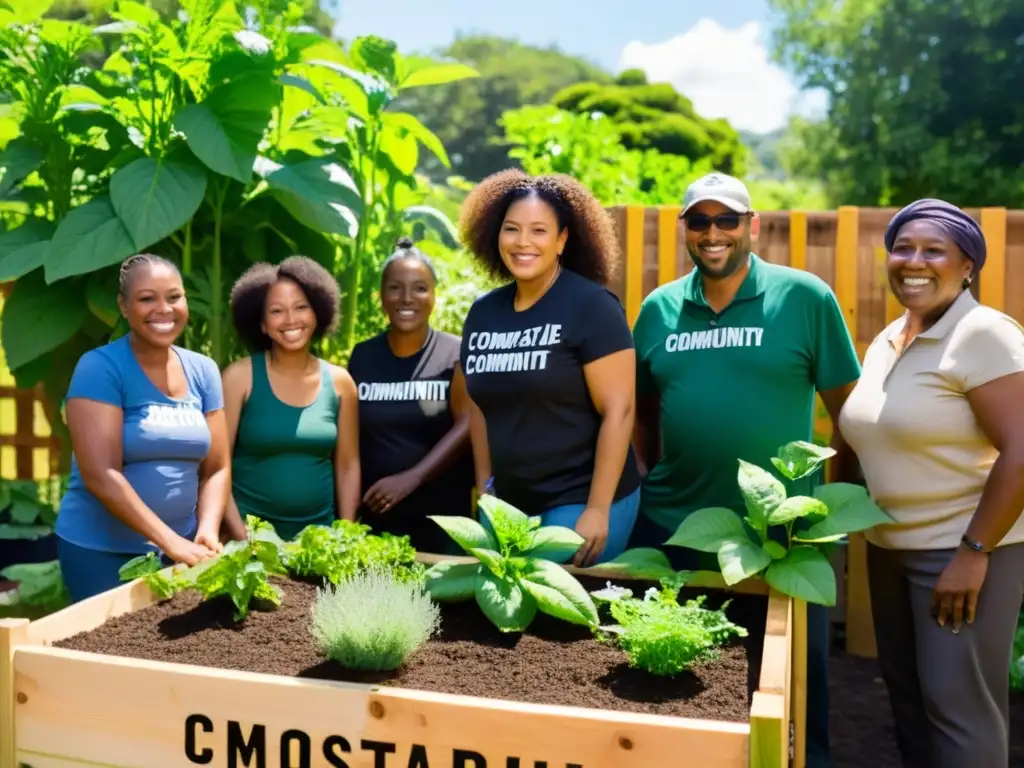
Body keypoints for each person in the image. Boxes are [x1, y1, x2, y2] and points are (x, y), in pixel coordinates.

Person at [629, 173, 862, 768]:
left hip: (779, 540)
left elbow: (850, 417)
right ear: (685, 229)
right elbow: (643, 413)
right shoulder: (658, 311)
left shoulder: (805, 298)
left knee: (793, 701)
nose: (713, 233)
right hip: (676, 530)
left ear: (752, 226)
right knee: (679, 690)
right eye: (699, 221)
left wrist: (831, 513)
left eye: (727, 220)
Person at [838, 199, 1024, 768]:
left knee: (958, 713)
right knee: (910, 706)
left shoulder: (982, 334)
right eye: (903, 247)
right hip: (893, 552)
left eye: (933, 250)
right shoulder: (891, 338)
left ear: (967, 264)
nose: (913, 260)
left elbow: (1022, 446)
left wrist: (973, 552)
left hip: (962, 554)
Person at [457, 169, 640, 567]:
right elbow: (480, 405)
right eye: (512, 229)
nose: (523, 242)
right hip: (511, 504)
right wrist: (485, 485)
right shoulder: (484, 313)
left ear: (562, 240)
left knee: (545, 607)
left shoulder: (592, 307)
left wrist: (597, 509)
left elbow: (620, 410)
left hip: (581, 500)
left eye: (539, 231)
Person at [55, 254, 228, 602]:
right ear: (123, 305)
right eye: (147, 298)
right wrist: (170, 542)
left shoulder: (203, 370)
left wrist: (206, 529)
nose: (163, 309)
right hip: (102, 553)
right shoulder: (100, 368)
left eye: (174, 297)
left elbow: (217, 467)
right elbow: (101, 474)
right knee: (104, 653)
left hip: (184, 547)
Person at [347, 238, 475, 553]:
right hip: (377, 522)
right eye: (395, 288)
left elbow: (469, 423)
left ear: (433, 295)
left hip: (443, 524)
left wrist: (413, 478)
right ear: (381, 296)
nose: (407, 298)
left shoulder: (454, 354)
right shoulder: (362, 357)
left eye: (419, 288)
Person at [220, 256, 360, 541]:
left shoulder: (341, 383)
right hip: (249, 544)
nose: (291, 320)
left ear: (318, 312)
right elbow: (216, 467)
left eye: (301, 307)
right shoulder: (239, 378)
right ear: (261, 323)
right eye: (277, 311)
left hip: (320, 543)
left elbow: (348, 465)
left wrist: (346, 535)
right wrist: (241, 537)